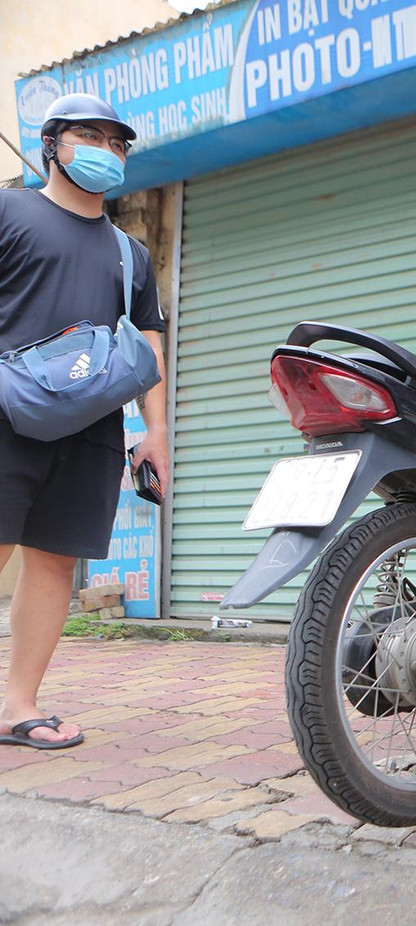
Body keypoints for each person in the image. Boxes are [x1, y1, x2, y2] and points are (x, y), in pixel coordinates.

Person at [0, 94, 169, 749]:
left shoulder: (130, 254)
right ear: (52, 144)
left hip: (92, 431)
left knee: (53, 565)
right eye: (89, 136)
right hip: (6, 416)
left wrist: (153, 433)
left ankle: (17, 706)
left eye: (117, 141)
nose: (105, 149)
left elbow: (149, 342)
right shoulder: (11, 211)